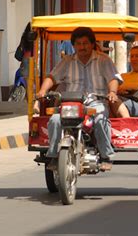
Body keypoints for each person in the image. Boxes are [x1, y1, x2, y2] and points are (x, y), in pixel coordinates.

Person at [34, 27, 121, 171]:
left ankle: (106, 155)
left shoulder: (103, 60)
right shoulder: (67, 61)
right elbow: (52, 77)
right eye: (78, 44)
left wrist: (112, 92)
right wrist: (43, 90)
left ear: (92, 44)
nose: (82, 47)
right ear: (73, 45)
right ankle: (54, 156)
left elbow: (113, 78)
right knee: (55, 120)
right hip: (70, 103)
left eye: (86, 43)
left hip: (96, 102)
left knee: (100, 119)